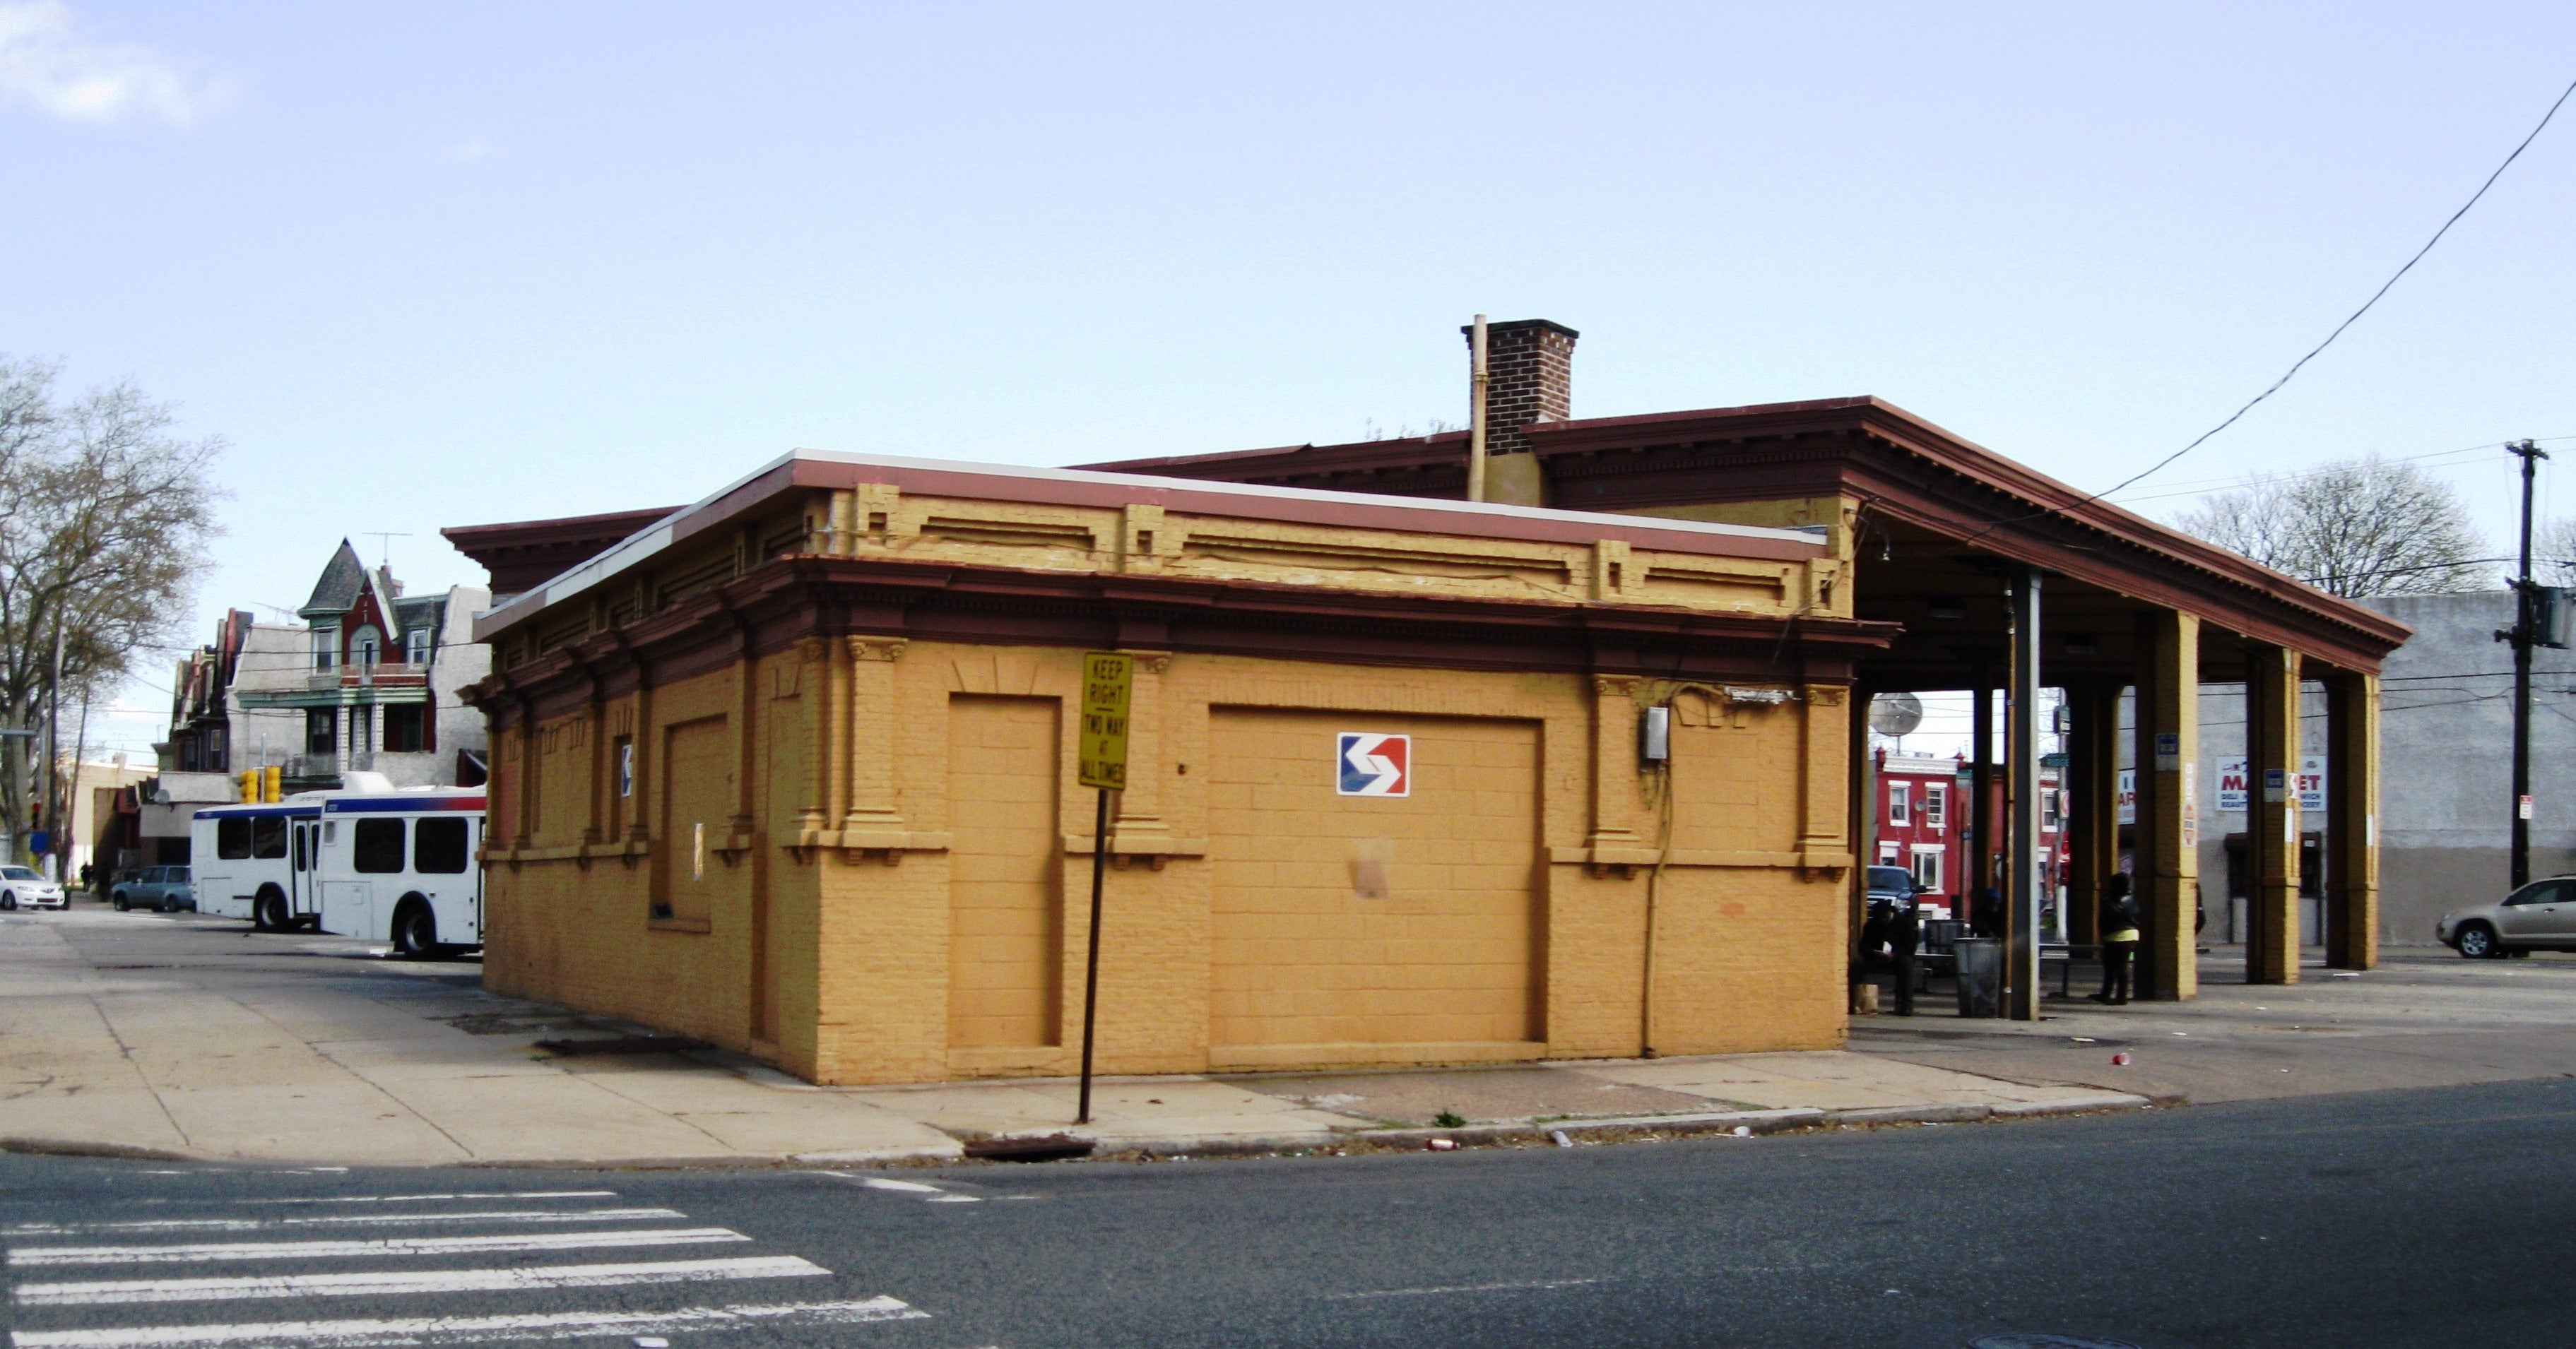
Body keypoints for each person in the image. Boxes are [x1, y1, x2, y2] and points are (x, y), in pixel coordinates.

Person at [2092, 874, 2141, 1004]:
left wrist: (2103, 934)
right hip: (2132, 934)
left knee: (2112, 967)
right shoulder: (2133, 899)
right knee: (2121, 966)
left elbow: (2103, 920)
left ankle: (2118, 997)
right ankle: (2115, 995)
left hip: (2114, 937)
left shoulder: (2107, 900)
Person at [1889, 893, 1920, 1016]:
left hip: (1899, 957)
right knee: (1859, 962)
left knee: (1906, 965)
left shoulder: (1903, 924)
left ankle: (1906, 1005)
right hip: (1879, 957)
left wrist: (1895, 955)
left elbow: (1910, 947)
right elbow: (1865, 944)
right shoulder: (1874, 925)